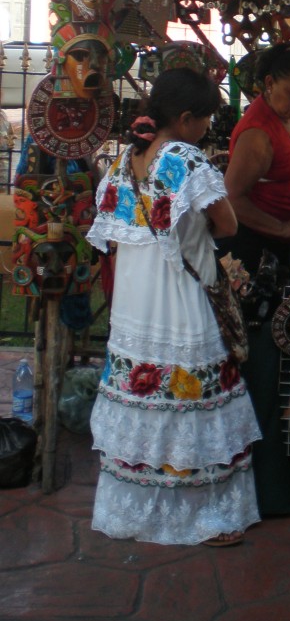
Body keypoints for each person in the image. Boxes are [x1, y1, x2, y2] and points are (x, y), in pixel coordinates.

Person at [87, 67, 261, 546]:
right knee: (191, 399)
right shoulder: (185, 157)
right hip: (178, 300)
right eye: (205, 119)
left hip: (135, 303)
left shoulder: (128, 159)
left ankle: (138, 512)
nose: (207, 128)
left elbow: (117, 235)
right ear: (186, 118)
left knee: (144, 397)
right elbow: (225, 225)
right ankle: (201, 518)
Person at [222, 43, 290, 515]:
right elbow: (232, 199)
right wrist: (283, 227)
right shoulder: (257, 132)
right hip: (253, 256)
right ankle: (261, 488)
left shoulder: (286, 119)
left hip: (275, 251)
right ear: (266, 86)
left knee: (273, 367)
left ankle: (269, 480)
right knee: (259, 366)